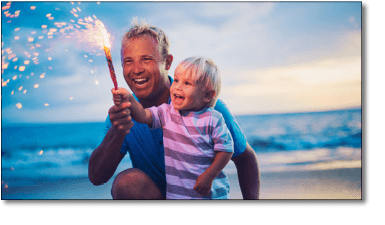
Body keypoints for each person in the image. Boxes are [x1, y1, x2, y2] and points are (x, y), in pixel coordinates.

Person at [88, 18, 261, 199]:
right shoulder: (123, 114)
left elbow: (244, 158)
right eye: (128, 61)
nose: (136, 70)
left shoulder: (207, 108)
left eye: (146, 59)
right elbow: (96, 177)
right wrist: (117, 132)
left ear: (168, 62)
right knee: (127, 183)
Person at [112, 57, 234, 199]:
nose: (177, 87)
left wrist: (209, 175)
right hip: (178, 196)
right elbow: (143, 116)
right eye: (176, 80)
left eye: (187, 83)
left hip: (211, 195)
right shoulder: (167, 113)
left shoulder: (213, 118)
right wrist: (129, 99)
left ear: (207, 95)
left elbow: (226, 150)